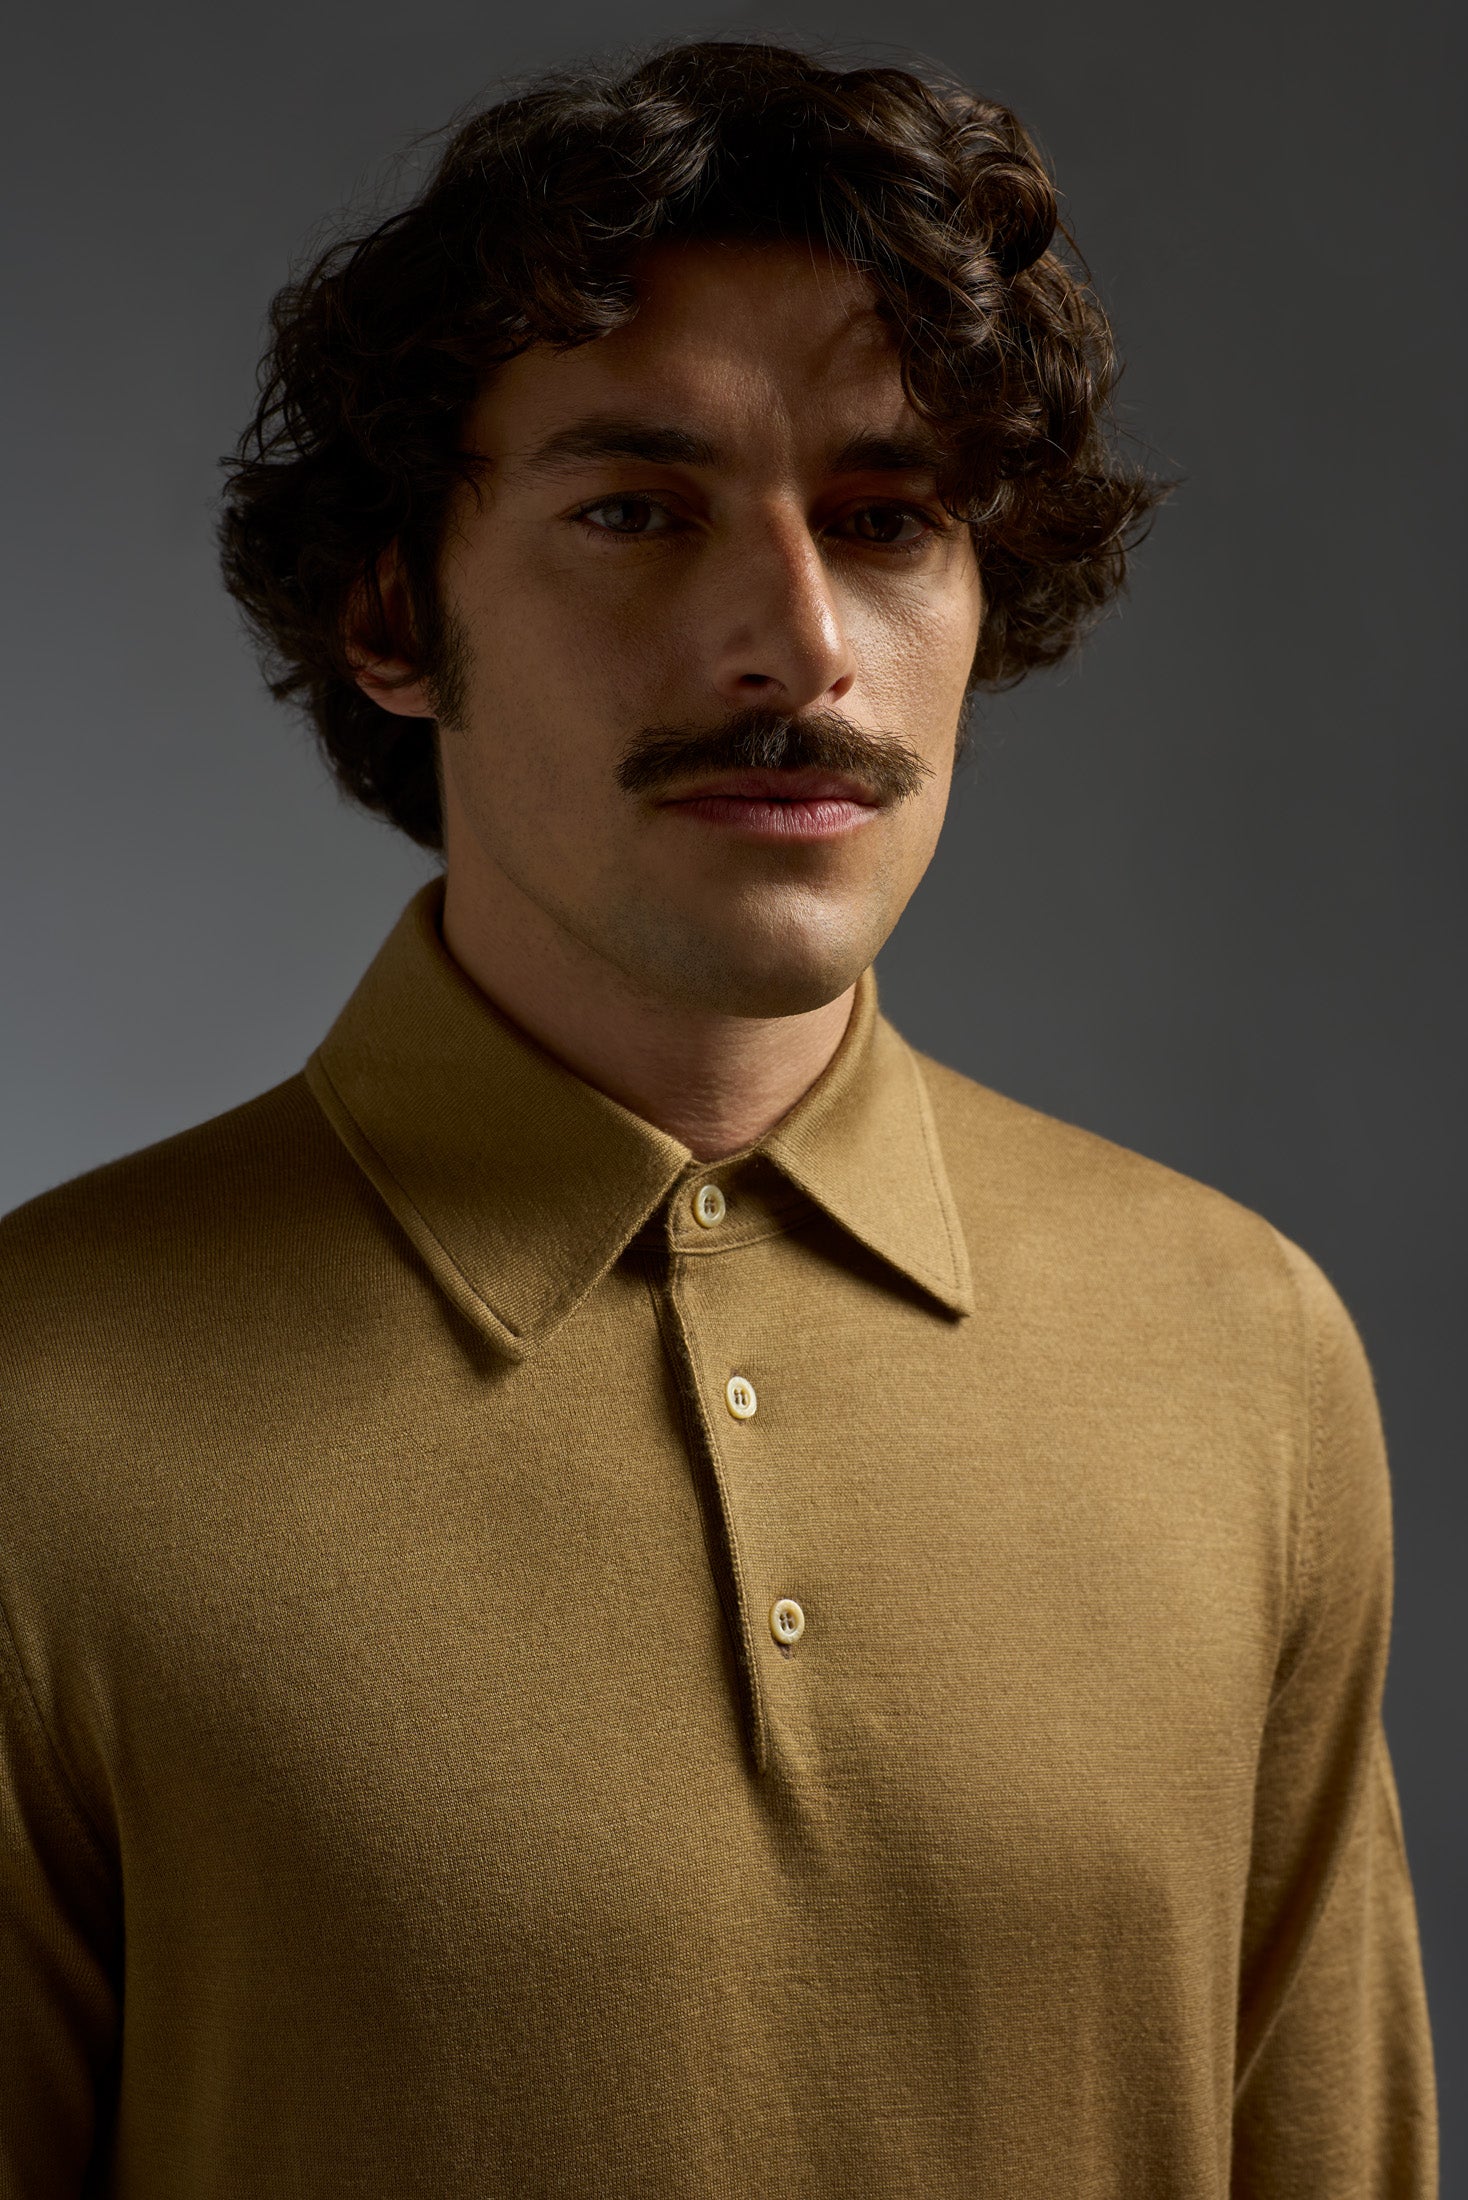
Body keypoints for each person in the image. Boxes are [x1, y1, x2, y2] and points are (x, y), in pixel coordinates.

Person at [0, 37, 1437, 2196]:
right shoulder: (37, 1410)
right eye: (635, 511)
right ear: (393, 608)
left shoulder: (1243, 1351)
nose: (793, 637)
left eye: (886, 520)